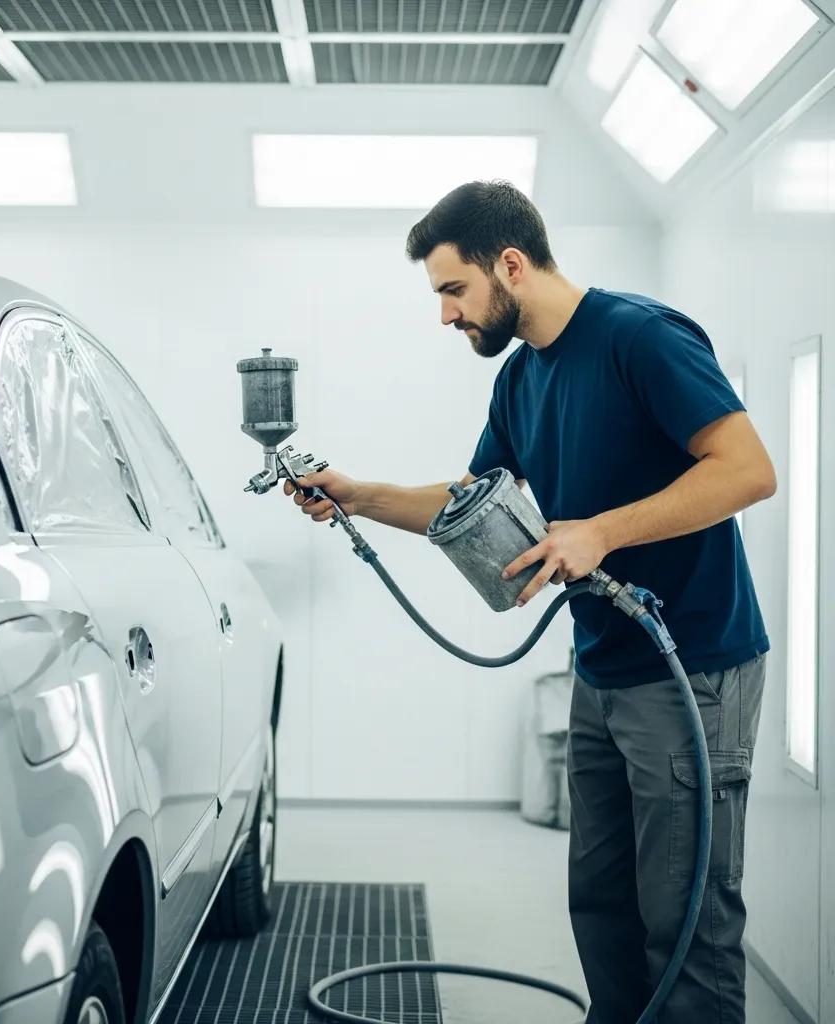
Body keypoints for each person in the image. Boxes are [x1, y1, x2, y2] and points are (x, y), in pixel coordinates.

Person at [284, 180, 776, 1024]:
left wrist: (603, 532)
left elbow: (746, 470)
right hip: (603, 667)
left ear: (509, 265)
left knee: (685, 924)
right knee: (603, 905)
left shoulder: (640, 338)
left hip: (691, 665)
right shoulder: (520, 380)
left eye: (453, 290)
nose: (445, 316)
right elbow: (471, 499)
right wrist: (359, 495)